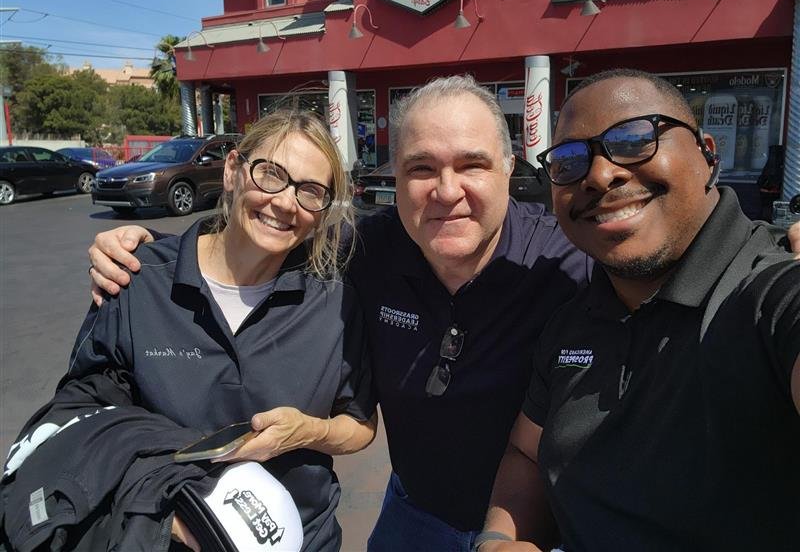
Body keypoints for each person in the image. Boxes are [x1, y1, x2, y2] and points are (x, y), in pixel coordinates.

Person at [86, 76, 800, 551]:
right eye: (421, 168)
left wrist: (780, 244)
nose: (446, 190)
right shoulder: (361, 250)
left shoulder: (574, 255)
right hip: (413, 512)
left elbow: (706, 263)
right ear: (390, 179)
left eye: (471, 165)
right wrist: (148, 250)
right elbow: (265, 234)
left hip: (540, 528)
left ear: (510, 169)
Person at [10, 109, 377, 552]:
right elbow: (79, 413)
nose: (285, 202)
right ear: (232, 171)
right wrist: (170, 507)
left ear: (321, 212)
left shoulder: (334, 303)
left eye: (310, 191)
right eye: (271, 174)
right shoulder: (137, 281)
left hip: (302, 539)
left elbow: (359, 424)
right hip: (164, 534)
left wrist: (308, 433)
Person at [480, 69, 800, 551]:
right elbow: (526, 453)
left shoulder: (768, 294)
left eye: (634, 139)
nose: (601, 174)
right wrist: (500, 541)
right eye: (569, 161)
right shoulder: (572, 322)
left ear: (707, 154)